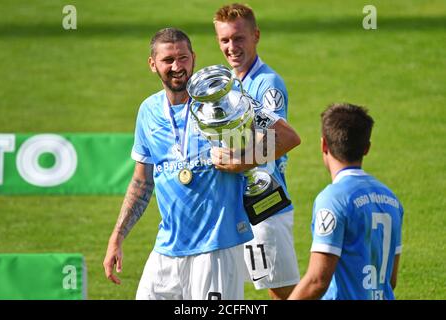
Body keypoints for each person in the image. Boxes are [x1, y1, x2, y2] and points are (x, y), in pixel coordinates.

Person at [102, 27, 301, 300]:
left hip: (216, 249)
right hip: (168, 249)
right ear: (152, 64)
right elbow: (141, 181)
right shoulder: (148, 111)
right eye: (168, 60)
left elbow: (288, 137)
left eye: (183, 58)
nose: (177, 67)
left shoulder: (223, 101)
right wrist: (117, 237)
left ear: (193, 57)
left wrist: (243, 161)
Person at [213, 3, 300, 299]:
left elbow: (279, 139)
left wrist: (238, 162)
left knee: (284, 294)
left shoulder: (267, 83)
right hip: (237, 209)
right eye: (225, 40)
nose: (232, 46)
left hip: (265, 207)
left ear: (256, 36)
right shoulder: (227, 84)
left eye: (239, 38)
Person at [288, 103, 404, 300]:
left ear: (323, 145)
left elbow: (317, 280)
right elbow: (390, 280)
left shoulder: (333, 200)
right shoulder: (391, 199)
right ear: (366, 148)